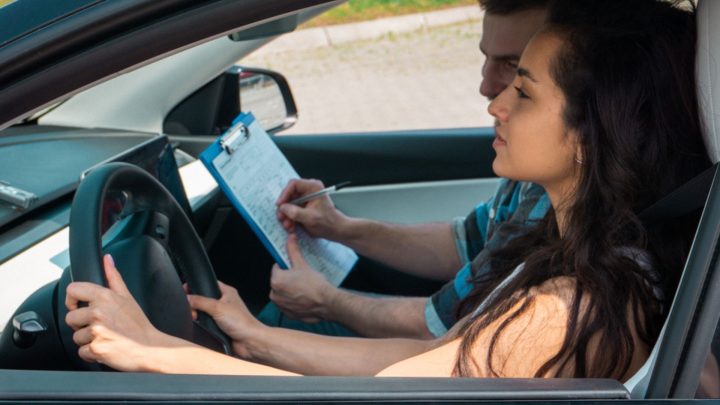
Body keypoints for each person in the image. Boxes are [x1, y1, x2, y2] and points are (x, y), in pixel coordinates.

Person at [65, 0, 710, 379]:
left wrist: (158, 352)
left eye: (523, 88)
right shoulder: (574, 251)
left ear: (588, 134)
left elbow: (396, 387)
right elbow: (435, 356)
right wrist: (249, 334)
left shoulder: (567, 310)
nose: (493, 104)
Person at [258, 0, 553, 340]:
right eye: (485, 58)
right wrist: (338, 227)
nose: (486, 90)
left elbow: (445, 331)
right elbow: (466, 244)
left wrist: (324, 303)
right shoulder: (531, 180)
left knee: (274, 324)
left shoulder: (556, 206)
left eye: (513, 66)